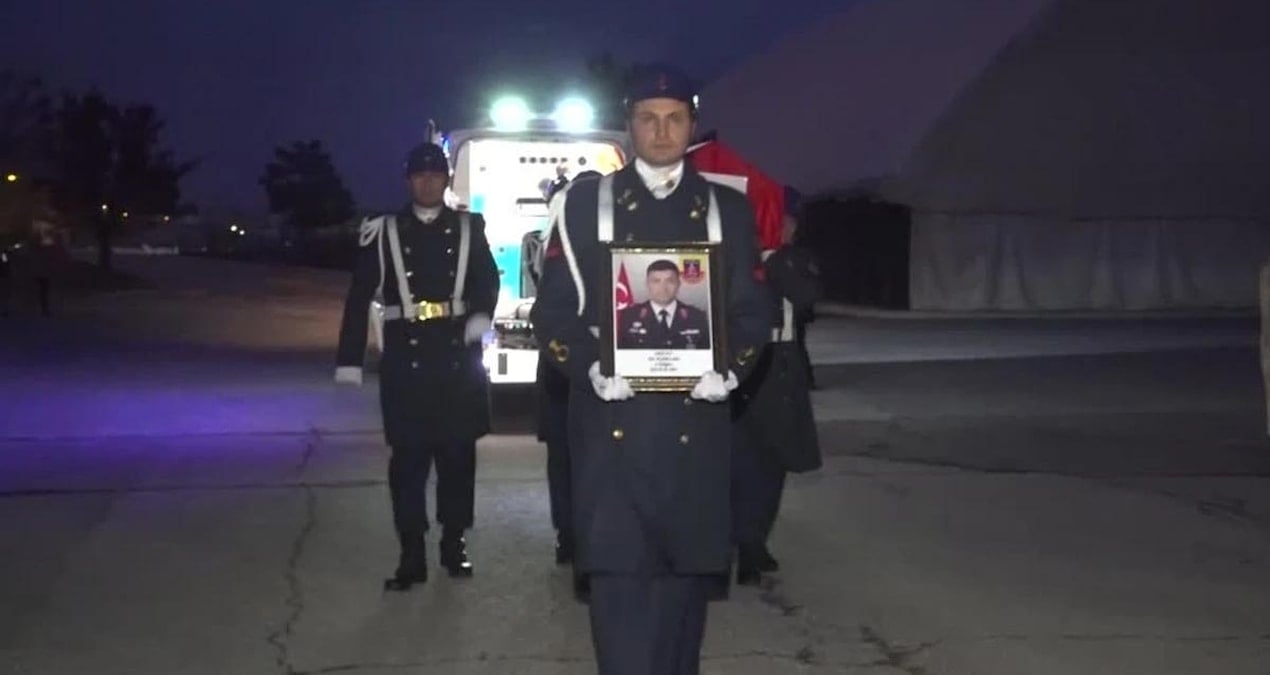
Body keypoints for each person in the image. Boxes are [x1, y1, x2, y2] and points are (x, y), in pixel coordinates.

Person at [530, 64, 770, 674]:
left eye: (674, 119)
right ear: (628, 125)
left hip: (696, 440)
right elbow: (551, 314)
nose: (662, 132)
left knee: (681, 631)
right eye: (647, 118)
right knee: (623, 626)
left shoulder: (725, 208)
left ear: (693, 125)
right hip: (612, 440)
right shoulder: (584, 205)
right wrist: (590, 367)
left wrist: (731, 371)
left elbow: (751, 313)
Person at [334, 142, 499, 591]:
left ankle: (453, 542)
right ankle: (411, 554)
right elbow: (358, 295)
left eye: (435, 174)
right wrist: (349, 359)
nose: (428, 182)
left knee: (457, 457)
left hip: (456, 355)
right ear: (408, 180)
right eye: (419, 175)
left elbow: (487, 279)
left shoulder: (468, 228)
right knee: (407, 462)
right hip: (405, 360)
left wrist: (481, 315)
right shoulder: (384, 230)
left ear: (446, 179)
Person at [730, 210, 823, 585]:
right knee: (731, 459)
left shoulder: (792, 260)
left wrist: (774, 258)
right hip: (732, 365)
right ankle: (728, 541)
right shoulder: (730, 255)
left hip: (777, 364)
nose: (785, 227)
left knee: (771, 462)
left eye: (787, 221)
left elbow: (806, 298)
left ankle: (753, 544)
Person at [535, 169, 604, 567]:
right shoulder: (556, 236)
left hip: (584, 364)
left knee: (581, 459)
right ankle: (569, 534)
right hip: (562, 366)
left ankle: (581, 535)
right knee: (564, 456)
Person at [616, 260, 711, 349]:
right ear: (647, 284)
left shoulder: (697, 316)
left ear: (678, 284)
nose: (663, 288)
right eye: (656, 281)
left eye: (670, 281)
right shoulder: (629, 316)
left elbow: (707, 356)